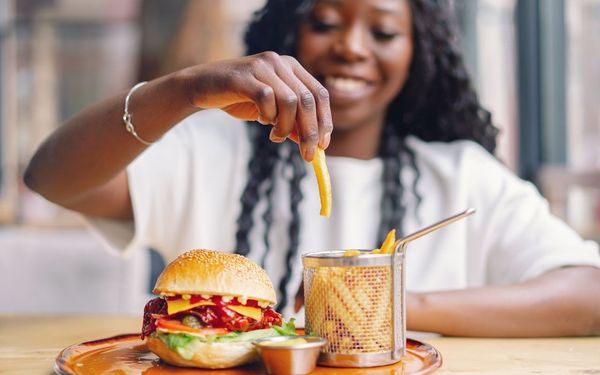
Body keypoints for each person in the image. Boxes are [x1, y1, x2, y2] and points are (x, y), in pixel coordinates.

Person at [24, 0, 600, 337]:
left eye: (383, 31)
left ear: (417, 52)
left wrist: (389, 301)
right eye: (325, 22)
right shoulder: (211, 149)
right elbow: (51, 178)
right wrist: (182, 90)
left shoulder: (461, 175)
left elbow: (589, 292)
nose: (352, 47)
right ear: (288, 33)